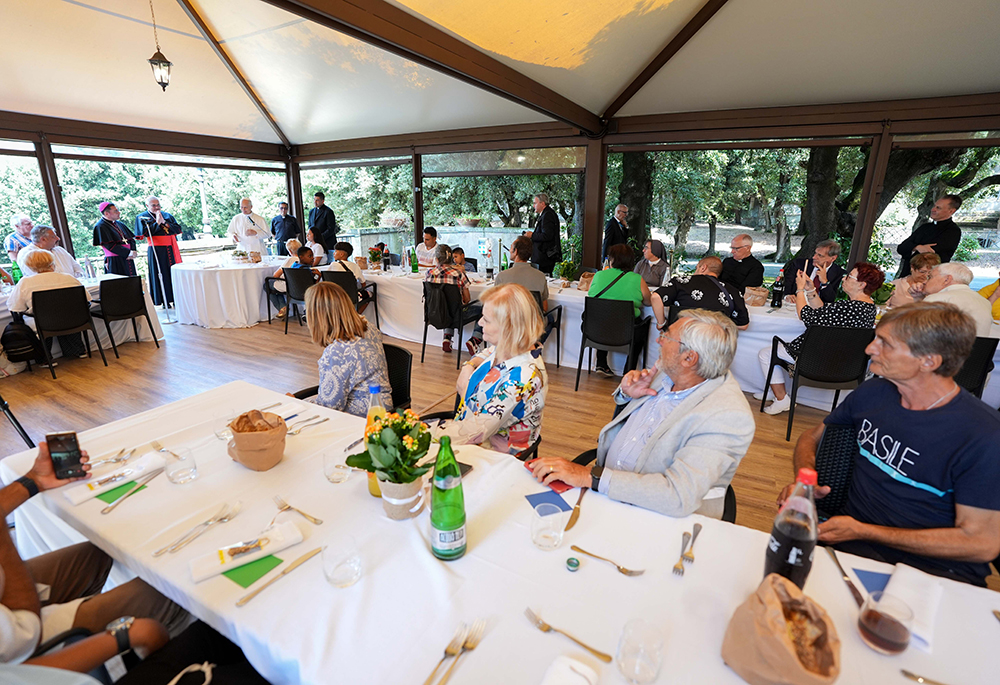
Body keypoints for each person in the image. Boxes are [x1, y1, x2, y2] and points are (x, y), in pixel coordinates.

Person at [777, 302, 1000, 586]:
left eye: (885, 343)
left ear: (929, 361)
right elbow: (812, 436)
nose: (870, 348)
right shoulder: (873, 393)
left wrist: (863, 531)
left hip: (934, 573)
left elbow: (981, 543)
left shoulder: (983, 435)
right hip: (850, 548)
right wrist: (805, 482)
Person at [529, 309, 754, 519]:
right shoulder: (669, 373)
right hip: (606, 492)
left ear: (689, 358)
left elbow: (677, 496)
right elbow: (632, 428)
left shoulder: (727, 416)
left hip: (655, 517)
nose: (659, 340)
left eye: (667, 337)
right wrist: (627, 395)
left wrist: (590, 477)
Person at [0, 441, 185, 669]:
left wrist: (34, 480)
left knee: (106, 545)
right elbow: (24, 636)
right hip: (21, 644)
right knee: (173, 587)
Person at [759, 261, 883, 415]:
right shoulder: (868, 309)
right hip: (846, 364)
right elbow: (822, 312)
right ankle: (775, 391)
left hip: (817, 360)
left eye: (849, 277)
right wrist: (811, 290)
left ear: (861, 285)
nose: (844, 278)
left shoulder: (846, 307)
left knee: (766, 353)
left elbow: (805, 315)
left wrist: (800, 289)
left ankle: (781, 398)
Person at [437, 284, 547, 457]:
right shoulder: (506, 347)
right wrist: (468, 366)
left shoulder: (522, 379)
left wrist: (464, 390)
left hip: (491, 454)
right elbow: (486, 353)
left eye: (486, 320)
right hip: (467, 431)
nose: (480, 323)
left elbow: (476, 430)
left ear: (509, 328)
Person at [305, 281, 392, 416]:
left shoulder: (337, 352)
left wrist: (296, 403)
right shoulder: (369, 328)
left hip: (361, 419)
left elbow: (328, 408)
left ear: (316, 317)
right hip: (382, 408)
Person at [589, 244, 665, 378]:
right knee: (641, 326)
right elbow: (648, 301)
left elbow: (591, 294)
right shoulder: (637, 279)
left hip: (595, 330)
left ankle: (601, 362)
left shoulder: (599, 275)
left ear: (612, 260)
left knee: (605, 316)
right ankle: (628, 371)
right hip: (626, 332)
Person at [8, 250, 91, 358]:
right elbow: (87, 299)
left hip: (44, 323)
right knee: (65, 312)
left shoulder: (25, 282)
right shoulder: (69, 277)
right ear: (52, 262)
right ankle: (77, 350)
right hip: (74, 320)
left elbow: (15, 307)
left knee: (34, 318)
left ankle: (44, 358)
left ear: (30, 266)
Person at [656, 256, 749, 331]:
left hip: (680, 336)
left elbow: (656, 297)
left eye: (697, 268)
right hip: (711, 342)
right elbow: (743, 325)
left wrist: (661, 323)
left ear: (703, 268)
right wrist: (715, 324)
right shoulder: (733, 291)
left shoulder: (681, 282)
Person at [424, 244, 481, 353]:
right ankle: (475, 340)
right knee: (483, 308)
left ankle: (447, 337)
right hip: (457, 316)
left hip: (433, 314)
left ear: (437, 259)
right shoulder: (458, 274)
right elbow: (467, 299)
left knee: (445, 306)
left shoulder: (429, 274)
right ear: (451, 259)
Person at [918, 261, 993, 336]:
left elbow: (917, 333)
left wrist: (917, 299)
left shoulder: (937, 299)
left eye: (930, 277)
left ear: (946, 279)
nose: (925, 281)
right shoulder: (984, 302)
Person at [896, 194, 963, 277]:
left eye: (938, 208)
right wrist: (917, 247)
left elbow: (929, 253)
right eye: (934, 206)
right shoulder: (924, 227)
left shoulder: (953, 231)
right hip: (907, 275)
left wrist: (913, 247)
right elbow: (901, 248)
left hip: (930, 278)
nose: (933, 209)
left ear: (951, 211)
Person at [134, 196, 182, 307]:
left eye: (158, 205)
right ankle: (164, 301)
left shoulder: (167, 215)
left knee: (172, 273)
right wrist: (157, 223)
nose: (157, 207)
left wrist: (164, 222)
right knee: (160, 274)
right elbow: (144, 233)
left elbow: (178, 229)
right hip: (156, 249)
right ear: (147, 206)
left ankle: (176, 298)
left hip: (170, 248)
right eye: (153, 205)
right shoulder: (142, 217)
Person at [781, 239, 844, 304]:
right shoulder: (799, 264)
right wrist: (788, 295)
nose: (814, 257)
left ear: (833, 258)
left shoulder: (839, 274)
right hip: (795, 304)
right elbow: (786, 285)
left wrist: (824, 282)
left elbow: (830, 299)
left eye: (820, 255)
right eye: (815, 253)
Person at [268, 246, 319, 319]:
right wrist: (319, 276)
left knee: (267, 284)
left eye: (312, 256)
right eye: (310, 256)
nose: (313, 258)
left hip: (292, 293)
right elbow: (314, 287)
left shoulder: (294, 265)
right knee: (269, 284)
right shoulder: (306, 271)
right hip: (303, 294)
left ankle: (282, 307)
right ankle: (283, 307)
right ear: (301, 257)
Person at [17, 227, 83, 279]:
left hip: (73, 287)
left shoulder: (60, 250)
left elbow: (78, 270)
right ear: (43, 239)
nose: (58, 238)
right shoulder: (27, 254)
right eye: (53, 237)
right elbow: (36, 277)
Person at [91, 202, 136, 277]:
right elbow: (110, 246)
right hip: (115, 261)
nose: (119, 212)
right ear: (106, 213)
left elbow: (131, 239)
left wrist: (133, 251)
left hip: (128, 258)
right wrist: (128, 253)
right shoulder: (100, 226)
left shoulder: (120, 224)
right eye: (116, 211)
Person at [326, 241, 370, 313]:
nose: (333, 253)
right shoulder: (355, 266)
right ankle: (356, 315)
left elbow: (327, 279)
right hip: (351, 297)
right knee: (369, 294)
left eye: (335, 251)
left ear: (341, 254)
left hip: (335, 296)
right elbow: (363, 283)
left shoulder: (333, 265)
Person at [527, 193, 561, 274]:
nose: (533, 206)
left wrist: (532, 235)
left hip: (544, 257)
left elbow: (547, 235)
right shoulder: (546, 214)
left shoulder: (547, 215)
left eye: (535, 203)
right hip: (543, 256)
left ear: (542, 203)